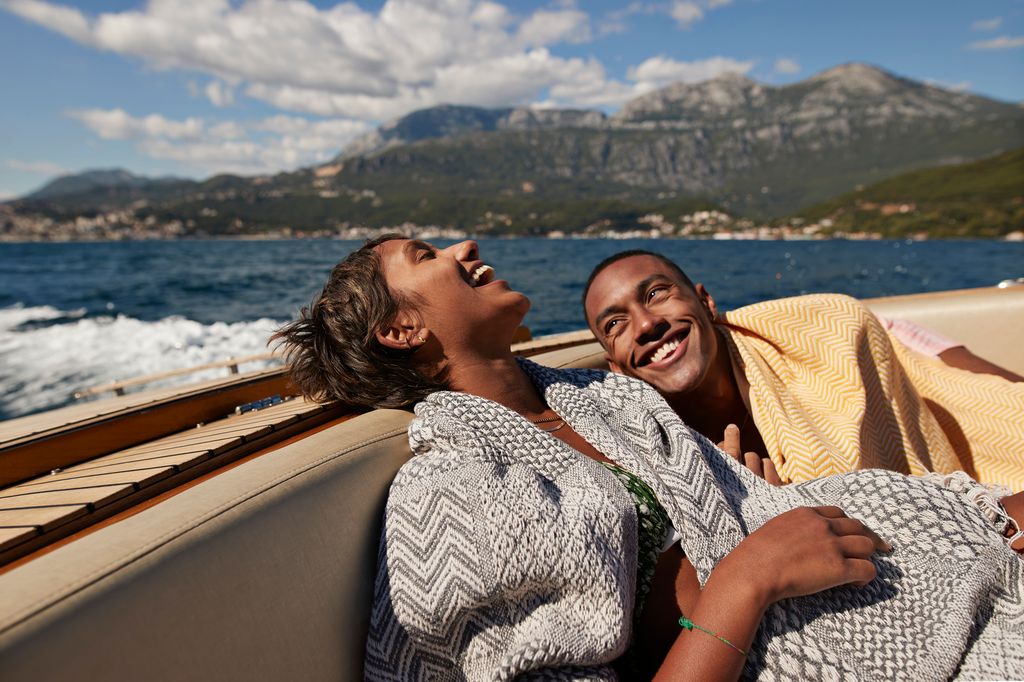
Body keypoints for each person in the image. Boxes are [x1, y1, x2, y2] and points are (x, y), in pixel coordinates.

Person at [275, 237, 1024, 680]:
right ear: (402, 330)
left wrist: (750, 506)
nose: (465, 248)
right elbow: (735, 569)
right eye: (426, 255)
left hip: (897, 570)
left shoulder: (609, 401)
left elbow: (739, 516)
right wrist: (747, 576)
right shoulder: (453, 490)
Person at [582, 250, 1024, 490]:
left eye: (657, 293)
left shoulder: (823, 336)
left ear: (706, 302)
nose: (645, 325)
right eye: (615, 324)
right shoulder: (642, 450)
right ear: (615, 366)